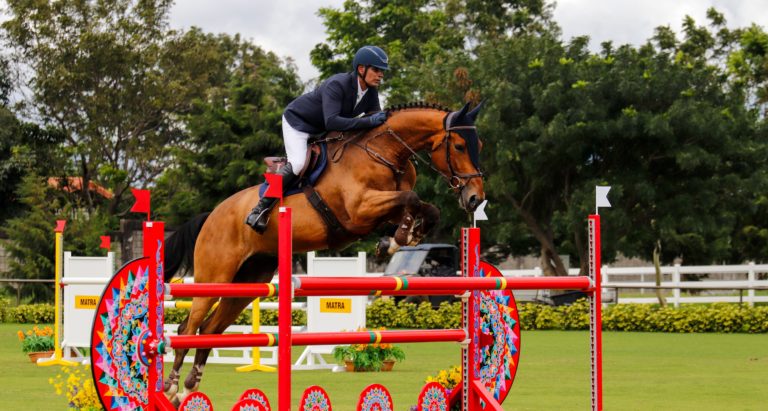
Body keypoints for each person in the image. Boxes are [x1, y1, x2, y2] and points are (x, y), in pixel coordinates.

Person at [245, 45, 390, 233]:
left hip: (321, 130)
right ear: (361, 69)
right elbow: (332, 121)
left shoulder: (370, 91)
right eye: (376, 70)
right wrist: (369, 120)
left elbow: (375, 119)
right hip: (299, 123)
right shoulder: (337, 84)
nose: (380, 75)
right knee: (297, 164)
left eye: (382, 71)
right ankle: (260, 208)